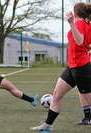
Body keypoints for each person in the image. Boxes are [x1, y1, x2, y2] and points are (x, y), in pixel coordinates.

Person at [30, 2, 91, 131]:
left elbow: (80, 41)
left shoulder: (80, 24)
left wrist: (71, 23)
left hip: (81, 68)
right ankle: (48, 124)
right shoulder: (85, 25)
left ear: (75, 13)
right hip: (72, 67)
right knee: (57, 94)